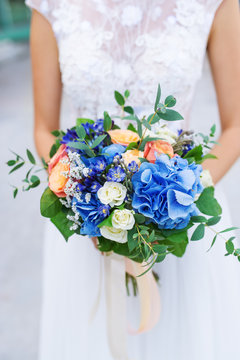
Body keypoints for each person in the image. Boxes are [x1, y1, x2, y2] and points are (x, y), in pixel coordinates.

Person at [26, 0, 240, 359]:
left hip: (180, 221)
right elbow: (43, 129)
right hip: (85, 225)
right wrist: (86, 197)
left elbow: (235, 126)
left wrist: (178, 196)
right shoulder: (51, 5)